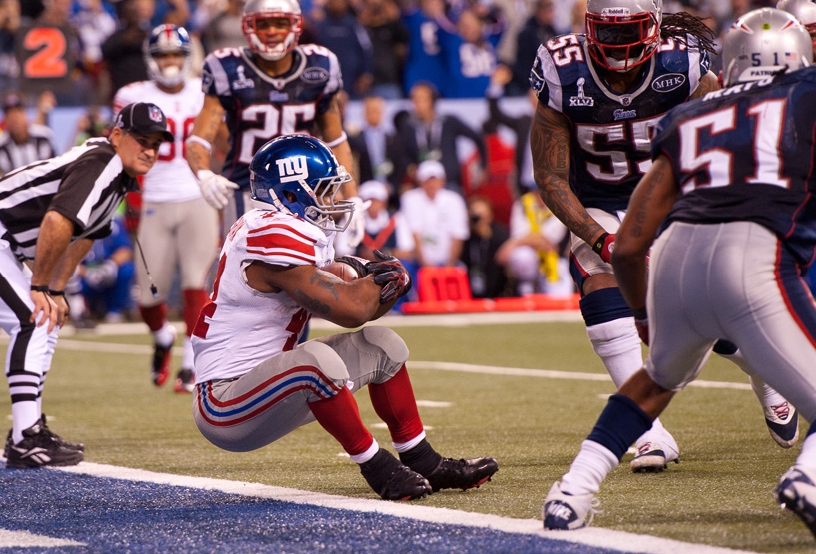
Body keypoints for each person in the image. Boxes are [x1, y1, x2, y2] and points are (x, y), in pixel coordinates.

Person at [542, 8, 816, 533]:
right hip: (752, 254)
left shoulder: (689, 119)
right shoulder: (804, 96)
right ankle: (806, 476)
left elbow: (626, 250)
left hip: (674, 259)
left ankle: (572, 492)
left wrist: (646, 314)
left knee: (654, 381)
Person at [191, 134, 498, 500]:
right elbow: (351, 311)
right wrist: (382, 280)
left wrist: (386, 283)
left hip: (272, 386)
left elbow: (362, 307)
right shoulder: (269, 232)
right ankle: (379, 469)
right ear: (289, 195)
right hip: (226, 403)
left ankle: (423, 461)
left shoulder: (285, 230)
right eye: (324, 190)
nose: (333, 200)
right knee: (316, 361)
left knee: (384, 346)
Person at [0, 101, 173, 468]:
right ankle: (25, 438)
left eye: (156, 143)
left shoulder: (117, 172)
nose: (150, 150)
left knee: (46, 318)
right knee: (32, 316)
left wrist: (56, 289)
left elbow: (86, 236)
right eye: (142, 140)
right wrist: (42, 285)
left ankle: (30, 429)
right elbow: (58, 221)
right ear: (118, 135)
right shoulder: (104, 162)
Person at [185, 0, 365, 247]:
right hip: (246, 190)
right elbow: (199, 138)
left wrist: (352, 196)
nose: (272, 31)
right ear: (249, 26)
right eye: (264, 23)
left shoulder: (320, 64)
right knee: (247, 272)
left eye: (280, 23)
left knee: (307, 268)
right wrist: (204, 174)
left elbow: (335, 138)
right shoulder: (227, 67)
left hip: (303, 192)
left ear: (296, 26)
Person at [113, 24, 219, 392]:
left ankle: (190, 365)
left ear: (188, 58)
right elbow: (120, 151)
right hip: (154, 200)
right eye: (163, 55)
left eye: (176, 54)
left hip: (197, 197)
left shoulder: (204, 91)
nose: (171, 61)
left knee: (195, 285)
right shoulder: (131, 94)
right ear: (151, 59)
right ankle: (161, 338)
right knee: (148, 295)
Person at [399, 160, 469, 269]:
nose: (431, 184)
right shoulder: (410, 199)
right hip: (418, 262)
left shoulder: (454, 200)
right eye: (427, 180)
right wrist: (425, 265)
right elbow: (414, 233)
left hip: (448, 263)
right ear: (420, 181)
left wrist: (449, 265)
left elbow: (458, 235)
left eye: (435, 179)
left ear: (443, 181)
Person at [0, 92, 56, 176]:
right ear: (4, 119)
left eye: (18, 111)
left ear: (26, 113)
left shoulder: (44, 137)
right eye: (9, 113)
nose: (14, 117)